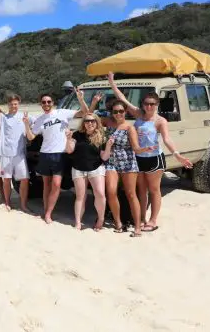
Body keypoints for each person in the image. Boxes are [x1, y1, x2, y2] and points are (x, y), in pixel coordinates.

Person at [107, 72, 193, 232]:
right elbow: (122, 99)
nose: (149, 106)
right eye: (146, 103)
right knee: (142, 190)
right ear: (143, 104)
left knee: (154, 190)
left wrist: (177, 155)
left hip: (154, 158)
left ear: (157, 105)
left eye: (152, 104)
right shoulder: (139, 114)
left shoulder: (160, 121)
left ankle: (153, 221)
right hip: (138, 158)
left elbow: (167, 139)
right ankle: (141, 218)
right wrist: (112, 81)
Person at [25, 90, 90, 224]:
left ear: (53, 103)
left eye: (49, 102)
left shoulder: (62, 113)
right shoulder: (39, 120)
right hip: (45, 154)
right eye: (44, 102)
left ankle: (48, 213)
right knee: (46, 185)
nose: (46, 104)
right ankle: (46, 211)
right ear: (41, 104)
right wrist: (26, 124)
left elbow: (84, 112)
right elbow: (31, 136)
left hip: (60, 154)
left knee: (56, 184)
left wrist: (80, 99)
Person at [99, 98, 158, 236]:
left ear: (126, 112)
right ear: (111, 113)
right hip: (112, 161)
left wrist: (146, 149)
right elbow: (89, 117)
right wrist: (93, 102)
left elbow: (136, 148)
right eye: (115, 111)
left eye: (121, 111)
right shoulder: (108, 122)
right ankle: (118, 223)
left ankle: (137, 227)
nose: (118, 114)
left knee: (131, 194)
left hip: (128, 162)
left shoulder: (130, 128)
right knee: (111, 191)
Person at [0, 91, 32, 212]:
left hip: (20, 154)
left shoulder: (24, 117)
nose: (13, 106)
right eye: (11, 104)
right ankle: (7, 202)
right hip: (6, 154)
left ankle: (23, 205)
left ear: (19, 104)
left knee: (24, 180)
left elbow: (38, 126)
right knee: (7, 180)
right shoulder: (3, 117)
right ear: (8, 105)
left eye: (15, 104)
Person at [64, 113, 108, 231]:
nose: (90, 123)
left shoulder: (101, 136)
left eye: (93, 121)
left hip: (96, 168)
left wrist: (108, 146)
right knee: (80, 196)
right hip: (78, 169)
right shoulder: (77, 135)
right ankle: (78, 222)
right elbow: (69, 150)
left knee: (100, 194)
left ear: (97, 122)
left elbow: (104, 157)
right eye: (87, 121)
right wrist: (68, 139)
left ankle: (100, 219)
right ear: (83, 123)